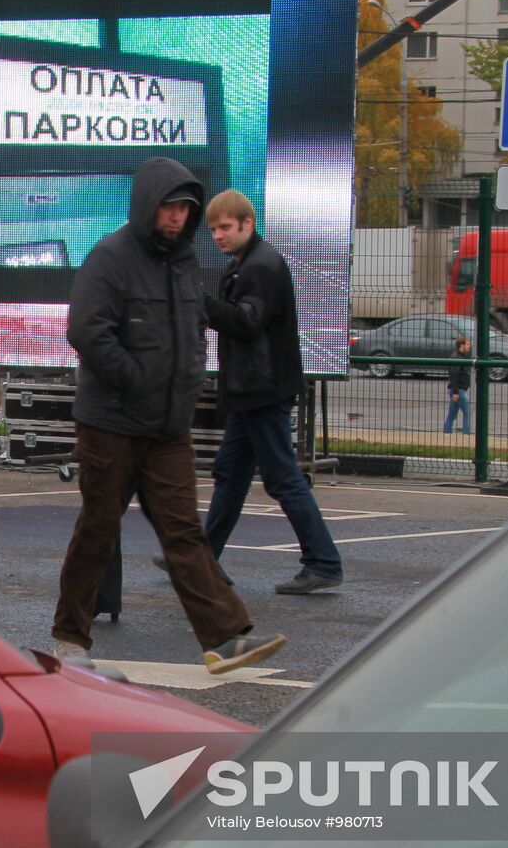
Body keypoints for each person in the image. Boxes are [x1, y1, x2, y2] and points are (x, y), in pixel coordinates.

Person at [50, 158, 287, 675]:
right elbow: (88, 332)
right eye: (169, 206)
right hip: (111, 424)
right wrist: (138, 378)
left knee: (185, 533)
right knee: (97, 529)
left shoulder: (184, 262)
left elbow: (193, 331)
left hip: (167, 429)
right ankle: (69, 638)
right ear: (147, 205)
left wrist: (185, 389)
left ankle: (226, 639)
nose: (178, 217)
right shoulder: (110, 257)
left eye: (185, 208)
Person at [172, 189, 344, 596]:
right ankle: (203, 558)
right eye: (213, 229)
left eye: (226, 227)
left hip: (262, 389)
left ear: (248, 224)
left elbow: (248, 322)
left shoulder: (260, 266)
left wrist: (202, 303)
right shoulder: (250, 263)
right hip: (255, 389)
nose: (218, 235)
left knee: (281, 477)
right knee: (231, 474)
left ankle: (322, 562)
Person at [444, 335, 472, 435]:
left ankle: (447, 433)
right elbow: (454, 376)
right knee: (467, 413)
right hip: (459, 389)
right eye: (468, 344)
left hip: (458, 389)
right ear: (461, 345)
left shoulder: (461, 356)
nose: (470, 346)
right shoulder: (457, 357)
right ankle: (466, 435)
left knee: (452, 414)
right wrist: (455, 392)